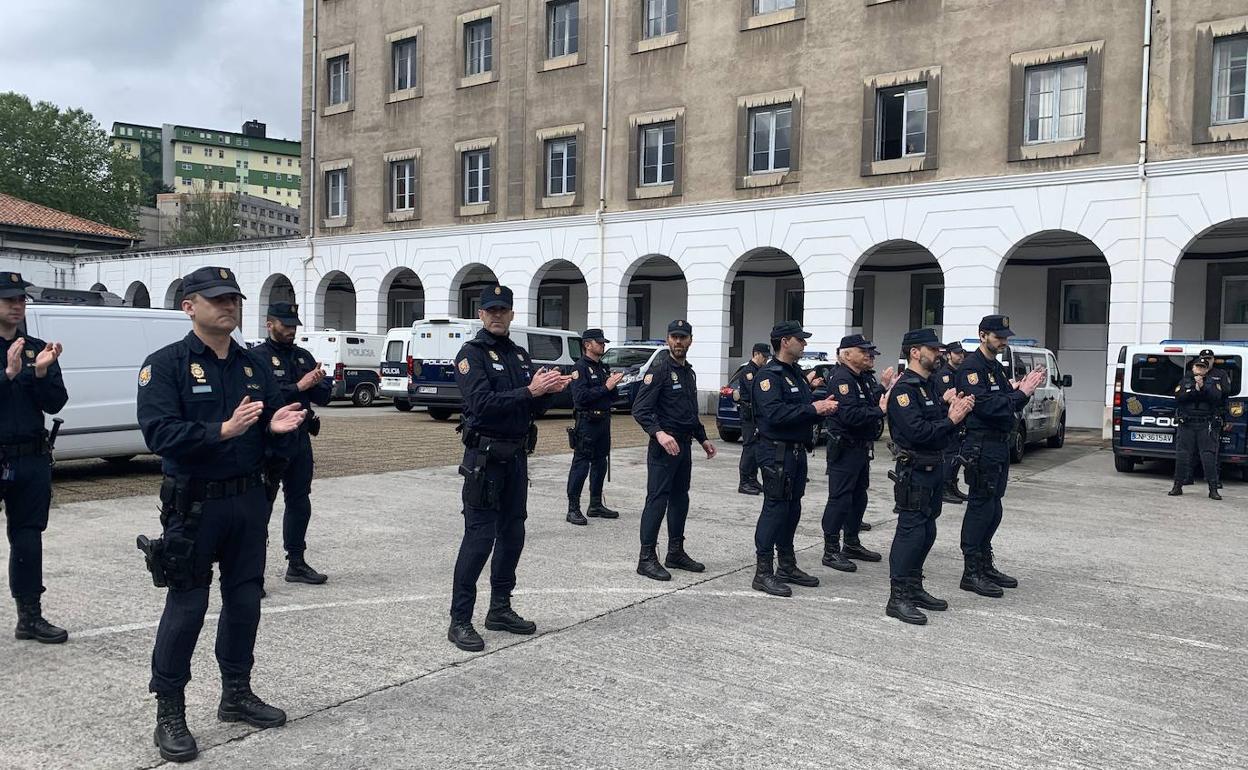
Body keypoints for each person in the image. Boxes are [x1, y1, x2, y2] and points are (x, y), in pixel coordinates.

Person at [137, 266, 306, 763]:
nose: (228, 306)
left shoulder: (253, 364)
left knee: (245, 600)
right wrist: (221, 431)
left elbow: (275, 417)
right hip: (195, 506)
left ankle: (236, 692)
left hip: (249, 502)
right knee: (187, 608)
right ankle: (170, 711)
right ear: (189, 306)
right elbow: (158, 433)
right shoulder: (164, 365)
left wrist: (278, 426)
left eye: (233, 298)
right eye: (216, 299)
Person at [448, 285, 570, 652]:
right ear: (481, 315)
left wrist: (550, 391)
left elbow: (529, 409)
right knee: (479, 538)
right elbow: (482, 404)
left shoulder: (518, 355)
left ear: (513, 314)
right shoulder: (471, 355)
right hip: (484, 461)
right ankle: (460, 619)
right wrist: (530, 392)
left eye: (503, 310)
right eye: (491, 310)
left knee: (513, 535)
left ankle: (500, 608)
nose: (497, 315)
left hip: (516, 459)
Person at [884, 329, 975, 624]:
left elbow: (937, 426)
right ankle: (897, 598)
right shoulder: (904, 390)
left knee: (927, 532)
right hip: (914, 472)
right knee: (910, 533)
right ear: (914, 352)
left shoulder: (928, 386)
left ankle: (913, 587)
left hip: (933, 468)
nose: (939, 354)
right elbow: (918, 432)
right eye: (933, 349)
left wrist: (951, 412)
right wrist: (951, 419)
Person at [955, 315, 1046, 598]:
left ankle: (985, 563)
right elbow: (987, 407)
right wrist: (1022, 393)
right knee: (980, 507)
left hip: (998, 445)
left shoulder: (994, 366)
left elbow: (1005, 399)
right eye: (998, 337)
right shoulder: (972, 367)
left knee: (994, 508)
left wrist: (1018, 390)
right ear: (983, 335)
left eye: (1005, 336)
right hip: (981, 445)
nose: (1004, 341)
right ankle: (971, 572)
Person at [0, 271, 69, 645]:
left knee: (28, 539)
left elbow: (56, 401)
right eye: (9, 299)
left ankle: (30, 617)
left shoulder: (37, 347)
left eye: (21, 299)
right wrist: (8, 374)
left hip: (30, 458)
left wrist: (40, 372)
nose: (17, 305)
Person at [750, 322, 838, 597]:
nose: (805, 344)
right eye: (800, 339)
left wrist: (818, 406)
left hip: (796, 451)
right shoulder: (769, 376)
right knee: (774, 509)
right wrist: (813, 408)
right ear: (785, 341)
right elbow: (775, 414)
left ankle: (786, 564)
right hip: (776, 451)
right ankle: (763, 572)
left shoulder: (795, 374)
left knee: (792, 509)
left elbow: (800, 408)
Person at [254, 302, 334, 584]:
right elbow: (263, 399)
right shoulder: (257, 358)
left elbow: (323, 396)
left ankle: (296, 562)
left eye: (293, 326)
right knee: (261, 506)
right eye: (285, 325)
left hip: (299, 440)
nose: (290, 330)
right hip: (269, 442)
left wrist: (322, 382)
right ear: (269, 324)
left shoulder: (303, 356)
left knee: (300, 502)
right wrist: (300, 387)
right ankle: (253, 571)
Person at [632, 320, 717, 581]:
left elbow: (690, 412)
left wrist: (703, 438)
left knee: (681, 499)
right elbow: (640, 409)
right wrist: (659, 433)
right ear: (668, 340)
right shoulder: (658, 370)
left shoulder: (688, 373)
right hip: (663, 448)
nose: (678, 342)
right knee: (657, 500)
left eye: (683, 337)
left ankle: (675, 552)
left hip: (684, 446)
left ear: (690, 340)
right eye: (674, 337)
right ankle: (646, 558)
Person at [820, 335, 889, 572]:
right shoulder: (842, 379)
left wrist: (882, 389)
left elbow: (869, 402)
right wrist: (878, 412)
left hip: (860, 447)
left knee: (858, 497)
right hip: (845, 447)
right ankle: (830, 550)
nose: (870, 355)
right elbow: (850, 415)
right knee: (840, 499)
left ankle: (851, 542)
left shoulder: (861, 378)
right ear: (847, 354)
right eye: (864, 351)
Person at [566, 328, 624, 525]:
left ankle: (595, 504)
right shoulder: (579, 368)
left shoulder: (602, 367)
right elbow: (580, 398)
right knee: (581, 464)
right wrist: (606, 387)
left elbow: (611, 397)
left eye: (603, 342)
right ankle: (573, 508)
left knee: (601, 463)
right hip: (587, 422)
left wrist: (614, 385)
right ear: (587, 345)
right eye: (599, 342)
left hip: (603, 421)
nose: (603, 345)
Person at [1168, 356, 1223, 500]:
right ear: (1193, 368)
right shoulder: (1185, 381)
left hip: (1205, 425)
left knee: (1208, 457)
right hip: (1187, 424)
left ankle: (1213, 489)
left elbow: (1216, 398)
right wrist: (1194, 389)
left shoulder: (1212, 383)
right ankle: (1177, 486)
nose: (1199, 369)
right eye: (1197, 367)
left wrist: (1203, 387)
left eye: (1203, 367)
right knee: (1182, 455)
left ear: (1206, 370)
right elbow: (1179, 397)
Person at [934, 341, 969, 503]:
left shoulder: (959, 372)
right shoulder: (945, 375)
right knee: (950, 455)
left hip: (960, 419)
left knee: (957, 455)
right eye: (957, 353)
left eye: (962, 353)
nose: (961, 356)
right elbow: (950, 398)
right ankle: (944, 488)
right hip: (948, 419)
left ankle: (952, 485)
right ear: (948, 355)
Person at [736, 343, 771, 495]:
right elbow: (755, 391)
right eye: (764, 356)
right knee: (749, 448)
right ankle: (744, 482)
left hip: (757, 415)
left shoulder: (761, 371)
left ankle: (752, 479)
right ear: (756, 354)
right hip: (748, 415)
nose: (765, 359)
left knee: (757, 449)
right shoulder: (748, 372)